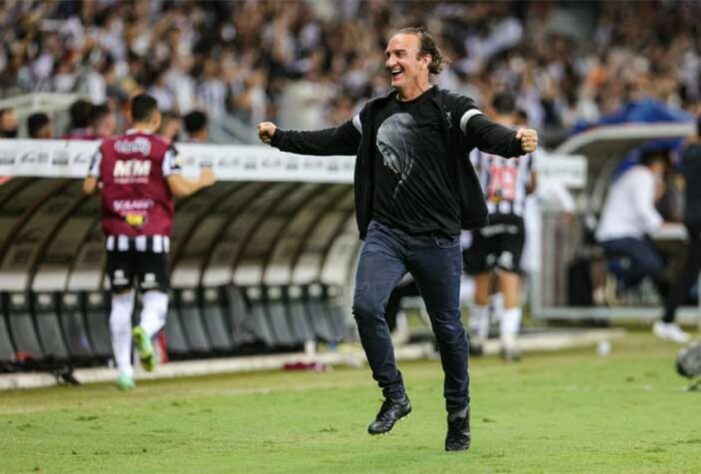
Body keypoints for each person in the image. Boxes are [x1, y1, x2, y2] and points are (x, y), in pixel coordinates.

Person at [257, 26, 538, 452]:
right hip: (386, 234)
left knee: (448, 331)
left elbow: (483, 130)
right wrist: (281, 139)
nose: (390, 61)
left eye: (400, 53)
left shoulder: (450, 108)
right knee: (366, 306)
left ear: (426, 60)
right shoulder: (374, 113)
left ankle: (458, 415)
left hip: (438, 240)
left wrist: (515, 143)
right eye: (387, 53)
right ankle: (395, 396)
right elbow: (331, 140)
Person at [83, 93, 215, 390]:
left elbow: (88, 186)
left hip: (117, 236)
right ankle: (144, 329)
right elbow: (178, 188)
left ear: (129, 117)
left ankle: (124, 371)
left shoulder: (106, 147)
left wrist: (116, 186)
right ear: (155, 119)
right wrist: (202, 181)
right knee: (156, 299)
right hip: (151, 235)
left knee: (120, 302)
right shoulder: (163, 147)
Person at [466, 93, 538, 361]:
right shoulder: (527, 139)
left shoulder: (481, 139)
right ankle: (509, 340)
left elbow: (472, 175)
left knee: (482, 275)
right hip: (514, 216)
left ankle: (477, 336)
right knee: (510, 276)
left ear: (491, 109)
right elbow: (533, 184)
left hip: (487, 215)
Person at [596, 150, 669, 302]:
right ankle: (620, 282)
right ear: (656, 165)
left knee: (658, 259)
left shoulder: (633, 175)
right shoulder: (643, 176)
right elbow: (643, 209)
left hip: (618, 234)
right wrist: (661, 224)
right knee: (653, 264)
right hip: (619, 235)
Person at [654, 117, 701, 343]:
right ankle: (667, 319)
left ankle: (667, 318)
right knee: (689, 271)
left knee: (690, 270)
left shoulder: (689, 152)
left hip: (692, 217)